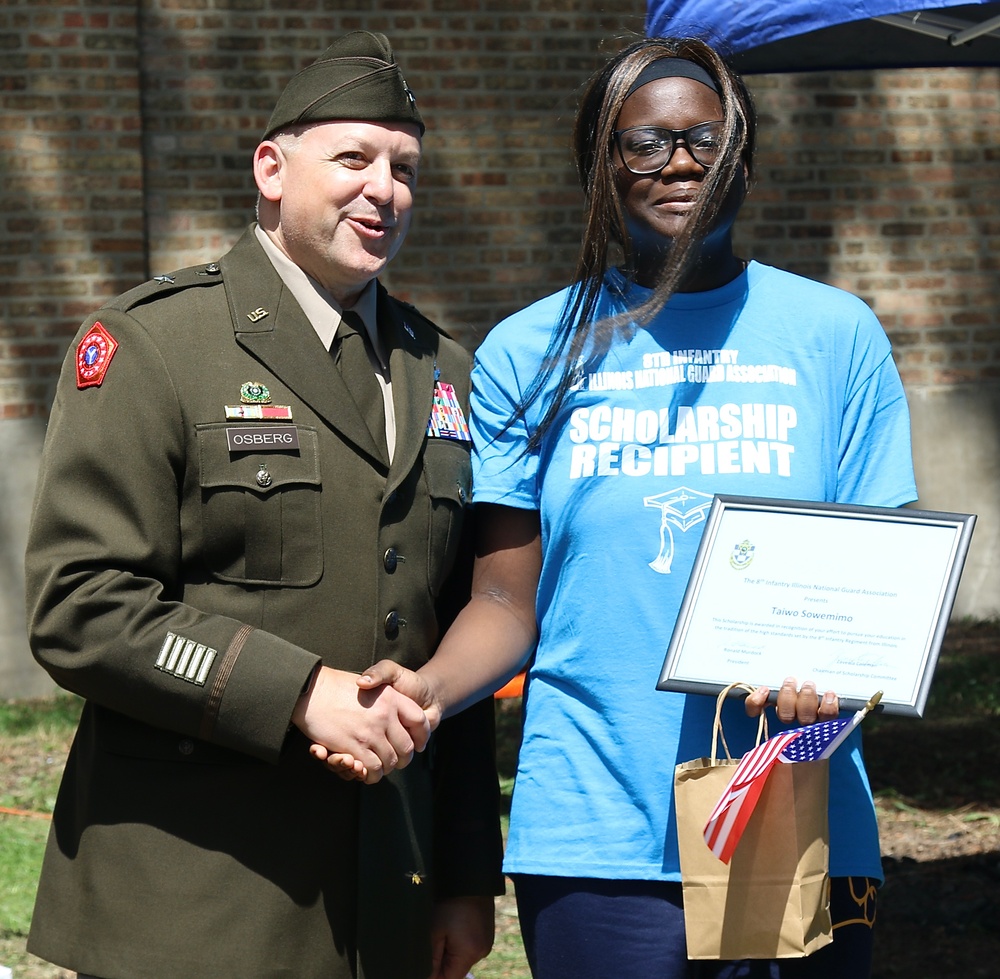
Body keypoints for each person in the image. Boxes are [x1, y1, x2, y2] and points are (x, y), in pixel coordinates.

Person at [328, 35, 917, 979]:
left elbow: (877, 590)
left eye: (704, 139)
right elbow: (505, 604)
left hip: (792, 808)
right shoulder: (529, 354)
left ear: (745, 160)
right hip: (596, 826)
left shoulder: (835, 336)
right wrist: (429, 691)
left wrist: (834, 675)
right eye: (643, 143)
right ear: (598, 169)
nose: (678, 161)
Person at [23, 30, 503, 979]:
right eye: (354, 158)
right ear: (272, 169)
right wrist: (294, 692)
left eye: (404, 168)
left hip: (381, 893)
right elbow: (78, 604)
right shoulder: (156, 344)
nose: (384, 189)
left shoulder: (441, 367)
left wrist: (462, 875)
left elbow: (437, 625)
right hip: (194, 894)